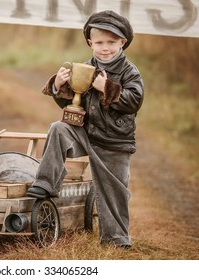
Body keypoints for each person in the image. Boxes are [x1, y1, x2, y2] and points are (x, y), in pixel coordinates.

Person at [26, 10, 144, 248]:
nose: (105, 48)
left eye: (111, 42)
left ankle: (116, 238)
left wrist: (107, 87)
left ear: (123, 42)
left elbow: (134, 101)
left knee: (114, 189)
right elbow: (73, 102)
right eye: (99, 42)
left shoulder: (129, 71)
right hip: (84, 131)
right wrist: (58, 86)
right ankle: (46, 183)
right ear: (90, 43)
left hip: (114, 139)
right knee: (59, 128)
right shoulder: (85, 67)